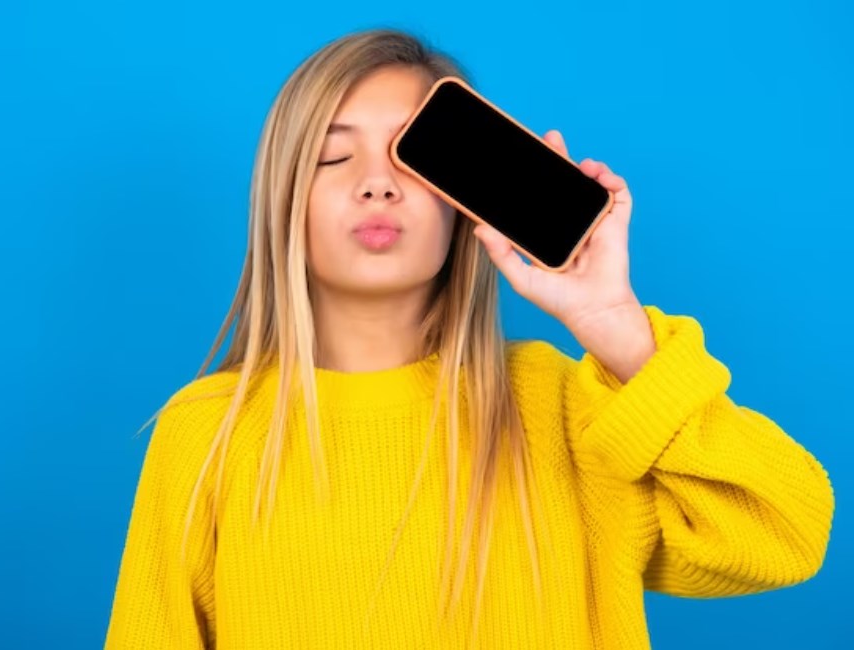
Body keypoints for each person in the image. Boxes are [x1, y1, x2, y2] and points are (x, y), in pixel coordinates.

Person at [102, 28, 834, 649]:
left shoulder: (565, 407)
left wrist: (618, 328)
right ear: (281, 199)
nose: (376, 185)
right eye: (332, 156)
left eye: (409, 159)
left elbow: (784, 531)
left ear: (465, 205)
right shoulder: (205, 435)